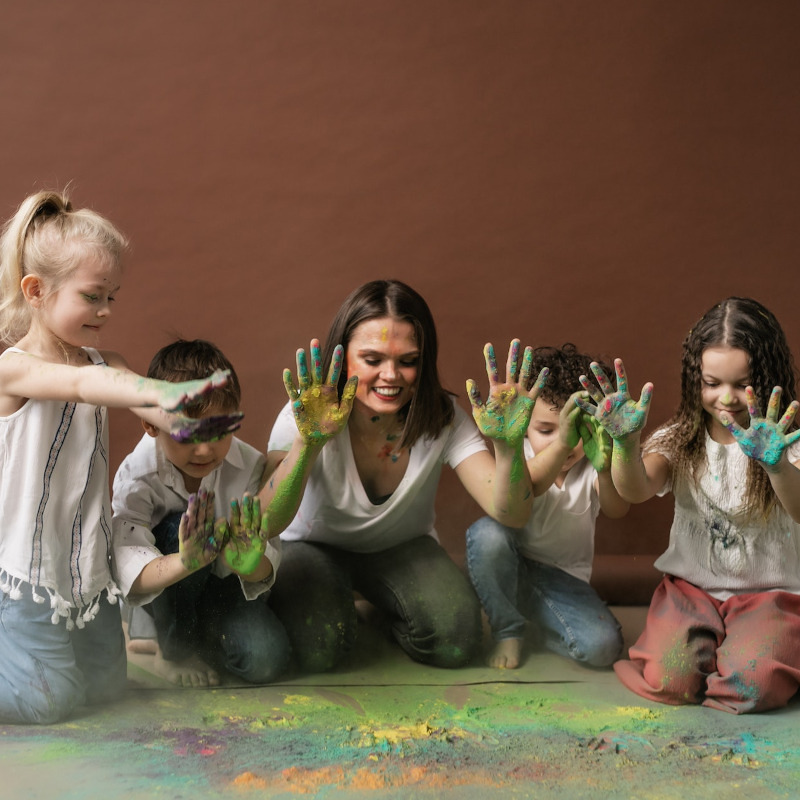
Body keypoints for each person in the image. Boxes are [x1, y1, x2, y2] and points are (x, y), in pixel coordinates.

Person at [0, 191, 236, 724]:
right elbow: (85, 384)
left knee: (106, 691)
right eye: (92, 296)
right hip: (26, 574)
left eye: (113, 296)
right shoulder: (14, 370)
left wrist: (180, 416)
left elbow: (123, 384)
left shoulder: (111, 364)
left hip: (83, 568)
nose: (106, 310)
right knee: (51, 700)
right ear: (36, 291)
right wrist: (148, 391)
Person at [259, 279, 547, 673]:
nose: (390, 375)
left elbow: (512, 514)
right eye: (373, 359)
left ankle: (381, 610)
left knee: (456, 643)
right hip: (311, 547)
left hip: (400, 548)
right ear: (343, 360)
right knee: (319, 651)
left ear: (423, 362)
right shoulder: (304, 414)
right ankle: (341, 603)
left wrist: (509, 446)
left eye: (407, 361)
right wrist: (308, 443)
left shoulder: (444, 418)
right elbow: (265, 522)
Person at [578, 297, 800, 714]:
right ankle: (714, 649)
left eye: (743, 383)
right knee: (671, 680)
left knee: (751, 686)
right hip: (692, 591)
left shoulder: (785, 440)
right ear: (694, 377)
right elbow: (635, 489)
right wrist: (625, 442)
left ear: (769, 378)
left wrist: (776, 467)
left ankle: (754, 651)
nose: (726, 398)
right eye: (712, 383)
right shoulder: (682, 436)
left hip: (771, 593)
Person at [112, 339, 290, 688]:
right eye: (188, 434)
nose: (206, 448)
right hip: (168, 585)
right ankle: (172, 650)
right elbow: (126, 564)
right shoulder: (137, 475)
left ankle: (174, 635)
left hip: (225, 587)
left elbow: (266, 562)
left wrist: (248, 562)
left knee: (266, 661)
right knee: (179, 529)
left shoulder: (249, 466)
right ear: (151, 425)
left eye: (220, 431)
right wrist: (187, 560)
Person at [466, 344, 629, 670]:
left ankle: (538, 633)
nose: (563, 442)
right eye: (545, 430)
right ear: (525, 425)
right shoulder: (520, 454)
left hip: (562, 582)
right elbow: (531, 485)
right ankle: (508, 629)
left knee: (603, 648)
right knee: (486, 535)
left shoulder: (591, 464)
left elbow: (616, 509)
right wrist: (563, 442)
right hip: (509, 562)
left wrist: (605, 469)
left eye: (575, 430)